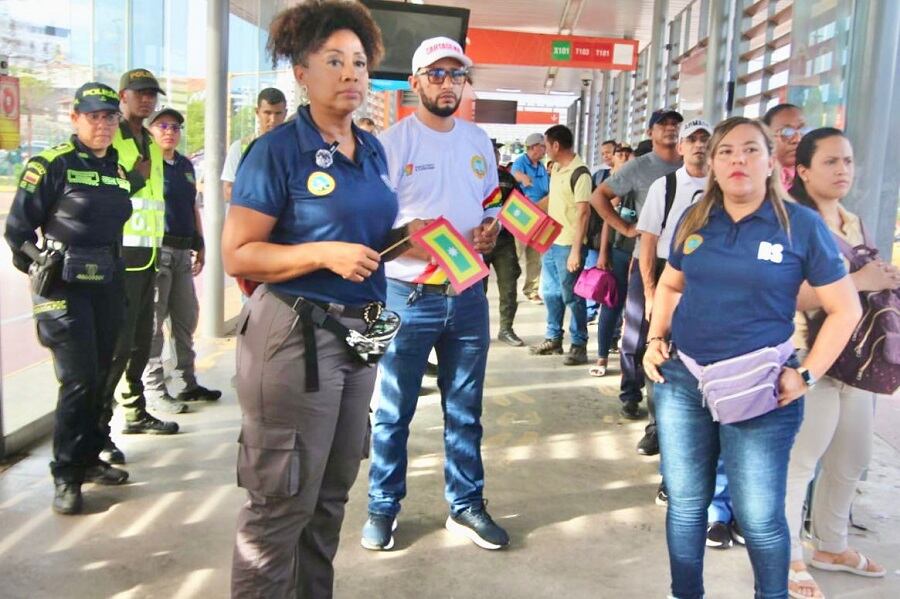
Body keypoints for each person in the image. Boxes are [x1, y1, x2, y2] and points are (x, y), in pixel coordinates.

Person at [643, 117, 861, 599]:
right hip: (684, 381)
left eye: (749, 151)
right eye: (726, 152)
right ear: (713, 166)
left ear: (770, 163)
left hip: (762, 390)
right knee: (685, 504)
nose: (737, 160)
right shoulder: (695, 218)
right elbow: (671, 284)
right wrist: (655, 338)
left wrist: (805, 374)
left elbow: (846, 308)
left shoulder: (798, 226)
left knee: (760, 516)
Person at [221, 2, 398, 597]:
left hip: (360, 333)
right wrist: (322, 256)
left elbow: (363, 236)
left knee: (328, 499)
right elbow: (239, 253)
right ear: (301, 73)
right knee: (280, 506)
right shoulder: (275, 152)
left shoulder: (371, 150)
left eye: (359, 63)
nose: (352, 73)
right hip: (294, 336)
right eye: (334, 61)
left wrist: (424, 239)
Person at [362, 36, 509, 553]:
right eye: (438, 74)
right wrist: (411, 235)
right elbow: (370, 229)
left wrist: (490, 229)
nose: (448, 84)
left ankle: (466, 506)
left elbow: (488, 204)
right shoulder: (389, 144)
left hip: (468, 294)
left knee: (465, 410)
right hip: (406, 295)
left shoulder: (476, 140)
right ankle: (383, 506)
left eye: (457, 75)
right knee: (392, 410)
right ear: (415, 81)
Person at [4, 83, 133, 514]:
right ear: (75, 118)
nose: (103, 124)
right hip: (64, 288)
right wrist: (41, 265)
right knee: (78, 379)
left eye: (110, 117)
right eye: (94, 116)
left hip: (109, 284)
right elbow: (17, 231)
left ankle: (92, 456)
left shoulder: (116, 167)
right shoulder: (51, 164)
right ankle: (66, 474)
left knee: (104, 374)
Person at [784, 128, 896, 599]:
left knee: (852, 457)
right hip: (809, 351)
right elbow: (784, 292)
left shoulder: (853, 220)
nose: (843, 170)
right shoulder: (790, 222)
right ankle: (785, 556)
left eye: (847, 161)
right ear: (804, 171)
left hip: (858, 356)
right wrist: (859, 279)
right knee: (800, 460)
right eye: (830, 162)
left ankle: (830, 545)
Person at [590, 109, 683, 456]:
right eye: (664, 125)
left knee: (672, 341)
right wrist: (627, 229)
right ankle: (631, 392)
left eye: (676, 125)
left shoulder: (695, 167)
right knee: (637, 334)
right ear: (651, 131)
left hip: (688, 264)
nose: (671, 130)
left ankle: (663, 417)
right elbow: (599, 197)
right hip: (647, 260)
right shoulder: (640, 167)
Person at [103, 69, 179, 466]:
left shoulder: (148, 140)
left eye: (152, 95)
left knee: (140, 340)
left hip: (149, 255)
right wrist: (134, 178)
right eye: (140, 94)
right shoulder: (110, 136)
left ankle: (134, 411)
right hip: (122, 255)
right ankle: (102, 429)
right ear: (123, 96)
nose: (147, 101)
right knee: (117, 345)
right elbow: (108, 187)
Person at [142, 108, 221, 406]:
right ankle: (154, 390)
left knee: (186, 319)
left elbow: (191, 207)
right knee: (153, 323)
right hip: (156, 252)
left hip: (181, 252)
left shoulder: (185, 166)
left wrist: (200, 243)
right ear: (151, 130)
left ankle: (186, 382)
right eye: (162, 125)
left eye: (175, 127)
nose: (169, 132)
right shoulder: (146, 164)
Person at [529, 124, 592, 366]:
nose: (544, 150)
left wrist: (576, 250)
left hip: (569, 245)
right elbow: (551, 199)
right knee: (550, 293)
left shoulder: (581, 173)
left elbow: (583, 213)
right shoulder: (556, 168)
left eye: (546, 145)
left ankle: (579, 344)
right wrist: (524, 212)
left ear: (556, 146)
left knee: (572, 296)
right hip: (551, 241)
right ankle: (553, 338)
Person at [484, 139, 524, 346]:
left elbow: (521, 207)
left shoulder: (507, 179)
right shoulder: (470, 178)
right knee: (476, 291)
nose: (495, 156)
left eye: (497, 153)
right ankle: (478, 330)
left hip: (504, 242)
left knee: (509, 286)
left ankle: (506, 329)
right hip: (477, 242)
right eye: (490, 153)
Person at [221, 87, 288, 202]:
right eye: (267, 113)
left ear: (285, 113)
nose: (273, 119)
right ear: (257, 112)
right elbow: (227, 191)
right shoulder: (240, 147)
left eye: (278, 113)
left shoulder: (293, 148)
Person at [510, 132, 549, 303]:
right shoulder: (521, 161)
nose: (545, 150)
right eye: (543, 147)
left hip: (541, 216)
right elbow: (515, 173)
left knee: (535, 256)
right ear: (534, 147)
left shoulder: (541, 166)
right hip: (523, 216)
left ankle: (531, 290)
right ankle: (510, 290)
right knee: (516, 253)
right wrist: (523, 178)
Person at [762, 103, 808, 191]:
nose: (797, 139)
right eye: (786, 132)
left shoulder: (815, 178)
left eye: (803, 130)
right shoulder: (756, 180)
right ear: (765, 137)